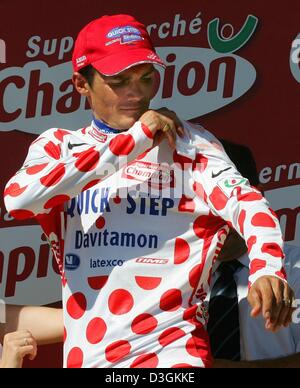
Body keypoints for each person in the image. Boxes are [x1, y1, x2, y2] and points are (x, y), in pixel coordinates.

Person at [3, 14, 294, 368]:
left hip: (174, 359)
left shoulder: (189, 144)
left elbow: (248, 203)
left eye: (145, 77)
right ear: (81, 83)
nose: (137, 93)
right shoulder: (59, 147)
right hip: (90, 359)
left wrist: (267, 268)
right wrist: (134, 140)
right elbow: (19, 199)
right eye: (119, 80)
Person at [208, 140, 300, 368]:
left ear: (256, 198)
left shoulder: (295, 268)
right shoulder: (172, 275)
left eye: (232, 205)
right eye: (207, 205)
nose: (219, 219)